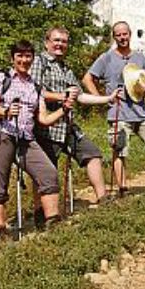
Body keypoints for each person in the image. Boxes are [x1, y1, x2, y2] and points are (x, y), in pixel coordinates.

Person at [0, 40, 73, 244]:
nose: (24, 60)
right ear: (13, 58)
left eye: (28, 56)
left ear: (32, 58)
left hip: (25, 138)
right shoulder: (2, 78)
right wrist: (5, 112)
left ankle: (52, 222)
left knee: (48, 173)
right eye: (20, 56)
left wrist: (63, 109)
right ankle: (1, 231)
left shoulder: (35, 86)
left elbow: (43, 119)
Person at [30, 27, 119, 219]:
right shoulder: (39, 62)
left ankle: (103, 199)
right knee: (45, 171)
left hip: (68, 126)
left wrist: (107, 98)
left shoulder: (66, 69)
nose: (60, 44)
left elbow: (80, 96)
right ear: (47, 42)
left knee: (92, 154)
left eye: (63, 41)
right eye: (56, 40)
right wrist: (62, 97)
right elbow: (34, 91)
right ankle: (41, 212)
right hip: (47, 126)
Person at [82, 21, 145, 194]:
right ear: (114, 37)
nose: (122, 38)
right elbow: (87, 79)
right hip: (118, 111)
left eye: (125, 34)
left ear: (130, 34)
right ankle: (123, 188)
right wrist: (103, 99)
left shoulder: (140, 58)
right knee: (119, 150)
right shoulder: (106, 58)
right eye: (118, 35)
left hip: (142, 110)